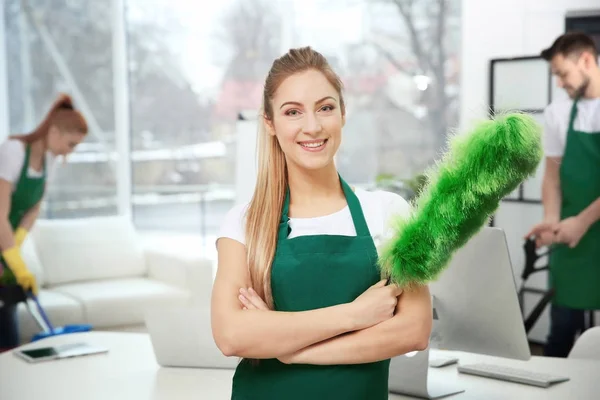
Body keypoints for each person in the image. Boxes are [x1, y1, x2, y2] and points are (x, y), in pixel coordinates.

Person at [211, 47, 433, 400]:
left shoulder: (387, 212)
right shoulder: (244, 222)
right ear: (270, 123)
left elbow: (413, 330)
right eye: (293, 112)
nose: (312, 126)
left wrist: (287, 348)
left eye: (325, 108)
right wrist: (355, 315)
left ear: (343, 113)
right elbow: (231, 336)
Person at [525, 32, 600, 357]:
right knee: (561, 329)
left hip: (582, 223)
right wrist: (552, 220)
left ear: (586, 60)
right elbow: (552, 175)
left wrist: (582, 222)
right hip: (570, 230)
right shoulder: (558, 113)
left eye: (562, 73)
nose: (559, 82)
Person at [0, 94, 87, 351]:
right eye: (70, 144)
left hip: (5, 240)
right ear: (54, 131)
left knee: (9, 311)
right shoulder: (13, 151)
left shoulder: (50, 161)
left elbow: (32, 209)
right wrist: (14, 258)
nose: (70, 152)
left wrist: (15, 246)